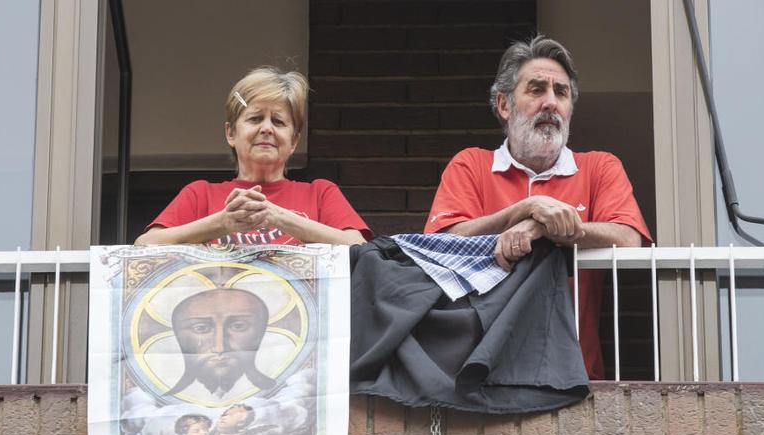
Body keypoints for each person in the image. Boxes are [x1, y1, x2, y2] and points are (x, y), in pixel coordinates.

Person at [424, 35, 652, 379]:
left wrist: (543, 227)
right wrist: (526, 208)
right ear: (504, 105)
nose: (551, 103)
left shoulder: (599, 167)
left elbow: (628, 238)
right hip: (483, 374)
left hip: (576, 375)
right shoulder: (470, 164)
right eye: (536, 89)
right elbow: (444, 243)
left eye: (561, 93)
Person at [135, 66, 371, 246]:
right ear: (231, 133)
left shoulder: (320, 193)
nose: (267, 128)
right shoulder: (200, 194)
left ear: (294, 141)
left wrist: (278, 217)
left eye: (278, 121)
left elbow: (359, 246)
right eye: (255, 118)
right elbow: (144, 246)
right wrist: (222, 223)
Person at [167, 288, 276, 400]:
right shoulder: (153, 403)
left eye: (238, 326)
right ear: (178, 337)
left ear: (260, 333)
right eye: (201, 328)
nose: (220, 348)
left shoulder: (283, 393)